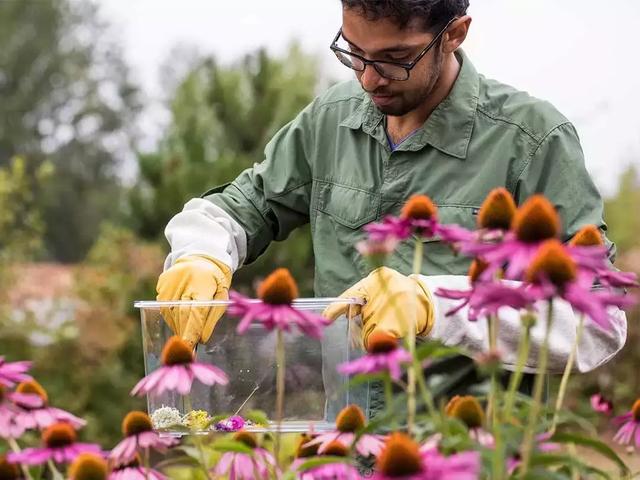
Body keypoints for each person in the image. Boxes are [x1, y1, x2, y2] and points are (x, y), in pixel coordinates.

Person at [156, 0, 627, 396]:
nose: (368, 78)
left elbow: (599, 321)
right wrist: (201, 254)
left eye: (394, 59)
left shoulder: (533, 141)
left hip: (473, 451)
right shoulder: (329, 121)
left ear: (455, 33)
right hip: (344, 445)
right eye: (354, 52)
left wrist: (436, 306)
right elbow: (243, 206)